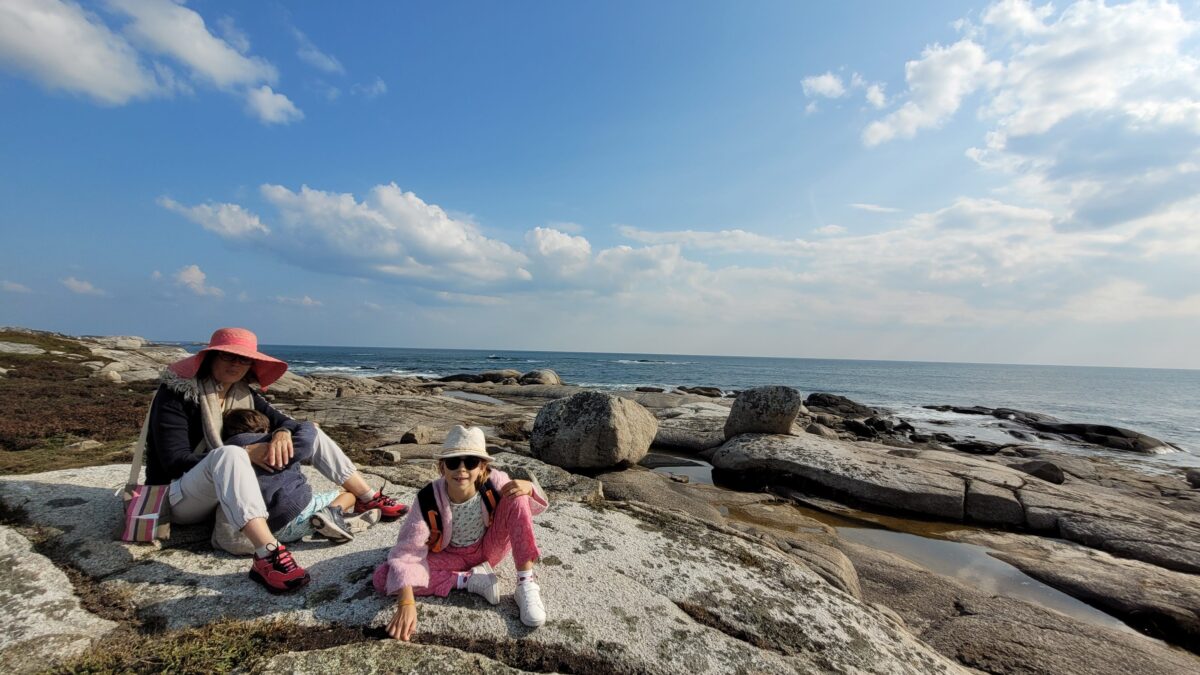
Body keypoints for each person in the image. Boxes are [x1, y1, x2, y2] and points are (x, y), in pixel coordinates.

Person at [144, 327, 408, 594]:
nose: (236, 364)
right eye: (228, 356)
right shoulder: (177, 394)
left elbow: (289, 422)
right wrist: (248, 453)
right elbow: (173, 461)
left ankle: (367, 495)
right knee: (230, 453)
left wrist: (281, 432)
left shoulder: (243, 393)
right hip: (182, 496)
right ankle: (267, 554)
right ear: (210, 357)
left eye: (243, 359)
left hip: (224, 492)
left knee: (312, 431)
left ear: (251, 365)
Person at [374, 425, 548, 641]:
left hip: (488, 549)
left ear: (482, 467)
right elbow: (407, 552)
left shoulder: (494, 482)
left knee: (517, 494)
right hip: (451, 556)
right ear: (442, 467)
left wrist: (529, 487)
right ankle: (468, 580)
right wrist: (406, 603)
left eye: (471, 462)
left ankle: (525, 584)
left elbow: (529, 509)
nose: (462, 469)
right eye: (453, 462)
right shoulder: (428, 498)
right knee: (383, 577)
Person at [220, 409, 380, 544]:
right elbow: (305, 444)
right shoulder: (269, 443)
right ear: (265, 428)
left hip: (267, 530)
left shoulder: (228, 451)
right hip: (298, 512)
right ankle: (331, 513)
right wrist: (309, 425)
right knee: (349, 494)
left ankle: (329, 522)